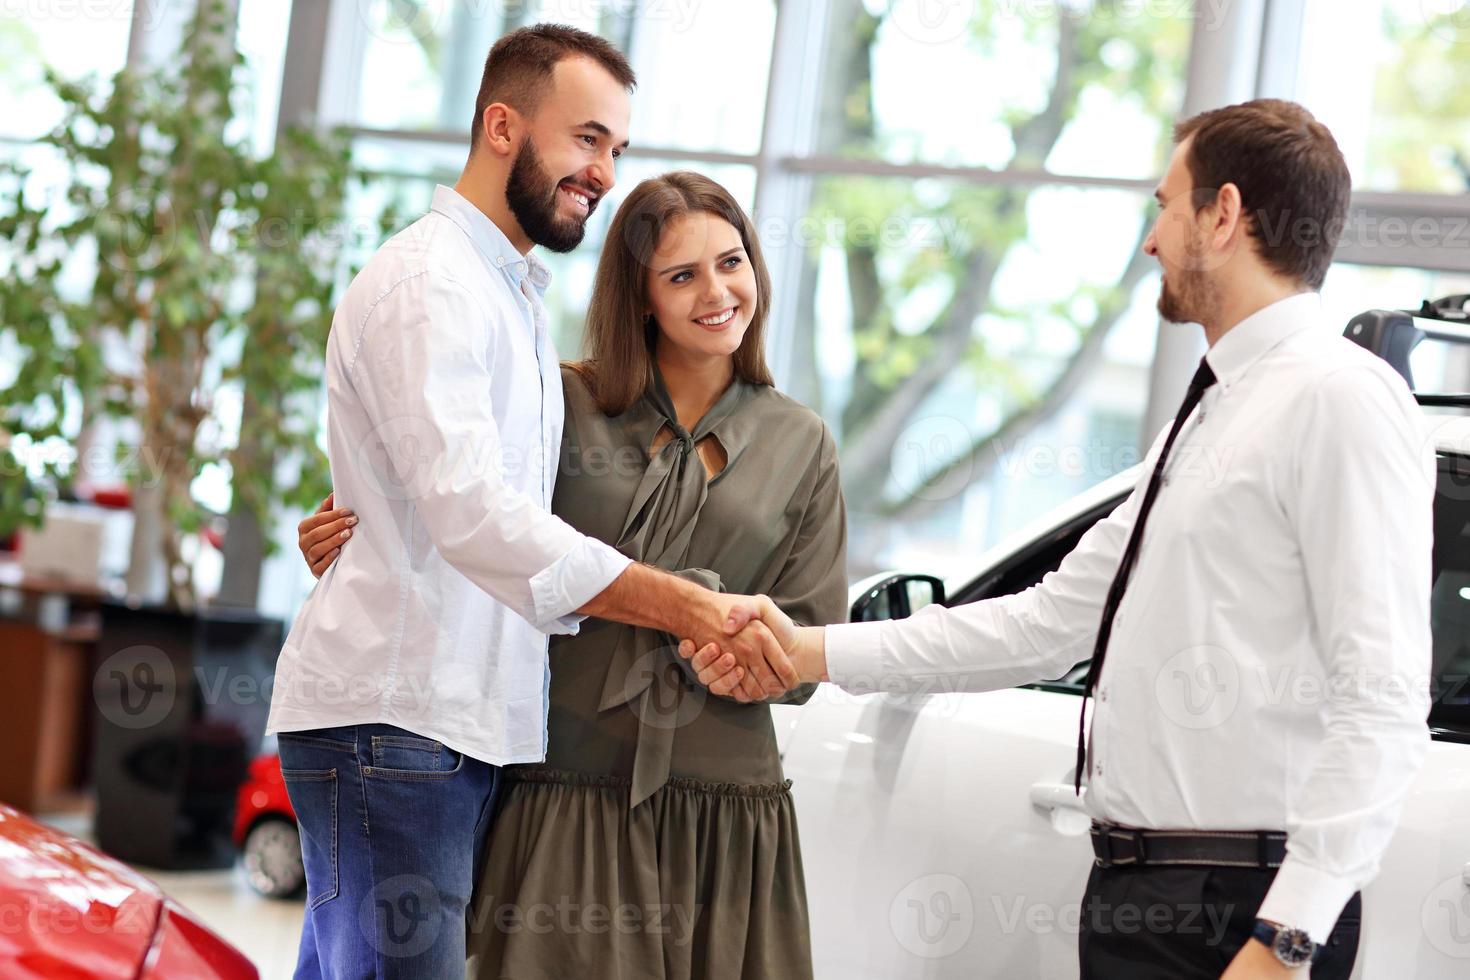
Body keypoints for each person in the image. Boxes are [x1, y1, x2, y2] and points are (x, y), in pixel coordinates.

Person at [699, 99, 1433, 979]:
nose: (1152, 241)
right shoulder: (1213, 411)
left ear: (1224, 214)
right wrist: (807, 649)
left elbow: (1383, 696)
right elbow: (1048, 622)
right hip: (1141, 894)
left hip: (1242, 910)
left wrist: (1287, 939)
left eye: (1165, 206)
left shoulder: (1339, 397)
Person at [267, 26, 794, 980]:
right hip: (398, 721)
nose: (601, 172)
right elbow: (475, 511)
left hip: (442, 727)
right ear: (502, 125)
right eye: (586, 139)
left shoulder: (503, 290)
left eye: (616, 150)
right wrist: (683, 602)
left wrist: (372, 511)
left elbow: (456, 484)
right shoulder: (434, 285)